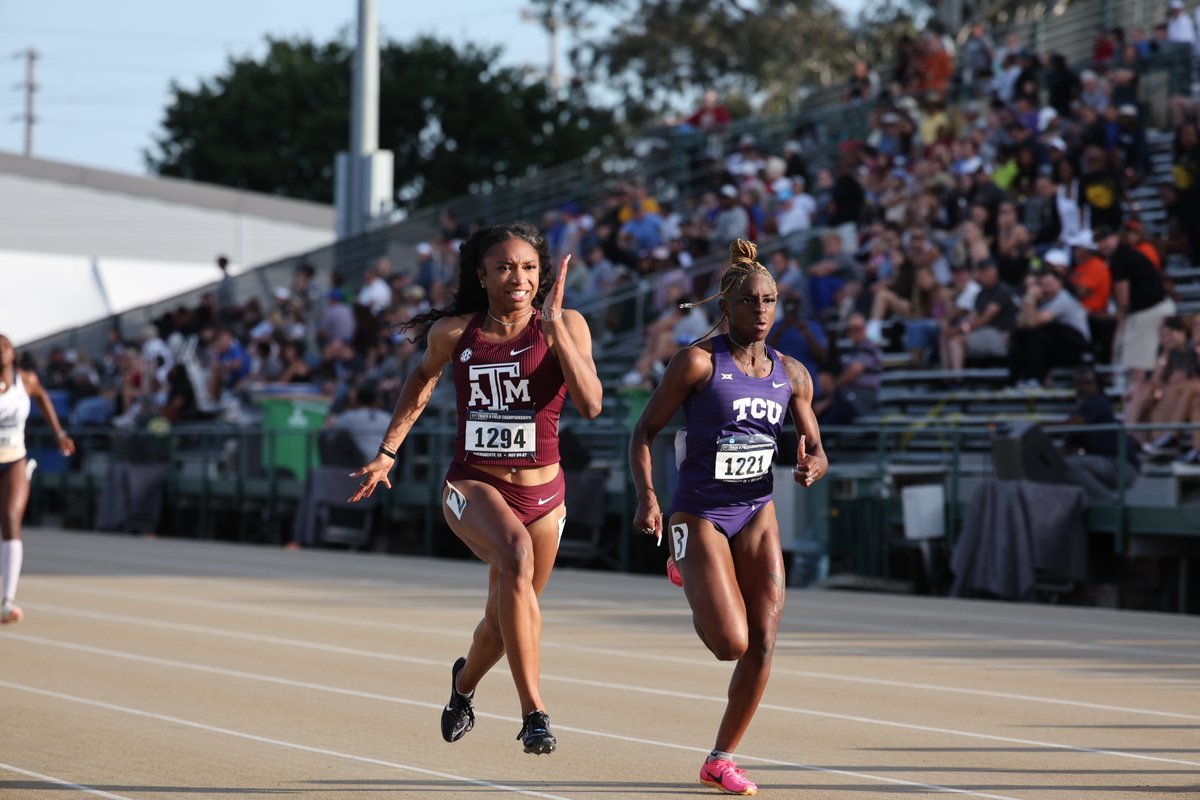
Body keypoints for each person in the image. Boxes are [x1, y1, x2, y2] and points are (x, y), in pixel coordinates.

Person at [348, 222, 602, 755]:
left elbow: (592, 404)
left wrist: (554, 330)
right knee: (515, 557)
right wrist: (387, 451)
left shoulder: (568, 324)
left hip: (545, 494)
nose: (519, 277)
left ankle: (463, 684)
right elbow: (420, 382)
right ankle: (535, 712)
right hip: (474, 483)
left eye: (529, 267)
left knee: (506, 618)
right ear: (482, 274)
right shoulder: (453, 333)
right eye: (505, 267)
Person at [629, 239, 827, 797]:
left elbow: (816, 445)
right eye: (749, 302)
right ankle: (685, 565)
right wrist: (648, 498)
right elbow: (643, 433)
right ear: (727, 305)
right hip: (699, 513)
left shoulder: (791, 373)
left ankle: (721, 758)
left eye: (769, 301)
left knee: (764, 638)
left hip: (756, 510)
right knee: (730, 644)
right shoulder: (698, 361)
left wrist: (813, 461)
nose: (761, 312)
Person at [0, 334, 75, 624]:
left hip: (14, 459)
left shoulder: (26, 380)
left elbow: (42, 397)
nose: (2, 350)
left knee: (10, 517)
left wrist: (59, 433)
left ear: (13, 352)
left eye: (5, 345)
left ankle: (7, 601)